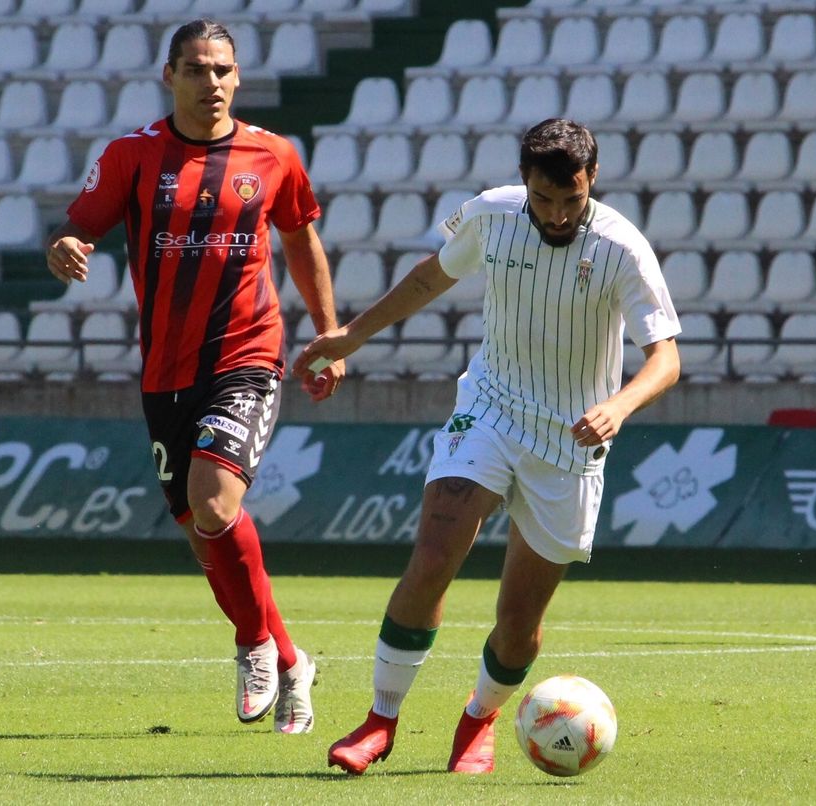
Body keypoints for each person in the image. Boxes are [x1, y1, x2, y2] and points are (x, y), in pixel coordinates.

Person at [291, 118, 682, 774]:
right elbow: (428, 279)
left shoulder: (622, 248)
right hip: (491, 408)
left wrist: (618, 406)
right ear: (524, 183)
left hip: (571, 438)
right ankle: (380, 719)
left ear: (591, 182)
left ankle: (479, 717)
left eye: (571, 199)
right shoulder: (491, 215)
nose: (557, 214)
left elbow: (665, 358)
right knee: (436, 551)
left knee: (520, 615)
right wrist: (352, 336)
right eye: (543, 199)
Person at [44, 18, 344, 731]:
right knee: (203, 534)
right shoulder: (133, 156)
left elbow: (302, 239)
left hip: (246, 354)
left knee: (213, 505)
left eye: (222, 70)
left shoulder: (272, 155)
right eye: (196, 69)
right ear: (169, 76)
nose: (211, 82)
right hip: (164, 371)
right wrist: (65, 247)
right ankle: (293, 658)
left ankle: (252, 646)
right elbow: (78, 226)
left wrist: (331, 337)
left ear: (237, 77)